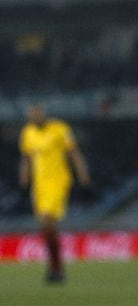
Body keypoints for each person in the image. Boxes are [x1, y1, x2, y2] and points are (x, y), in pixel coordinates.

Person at [18, 103, 91, 284]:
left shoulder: (59, 129)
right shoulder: (28, 133)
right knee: (46, 228)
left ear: (43, 114)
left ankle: (56, 268)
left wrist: (84, 178)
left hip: (58, 182)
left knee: (47, 221)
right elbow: (26, 159)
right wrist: (24, 182)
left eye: (37, 114)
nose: (35, 118)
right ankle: (56, 268)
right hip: (39, 185)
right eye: (31, 116)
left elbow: (74, 154)